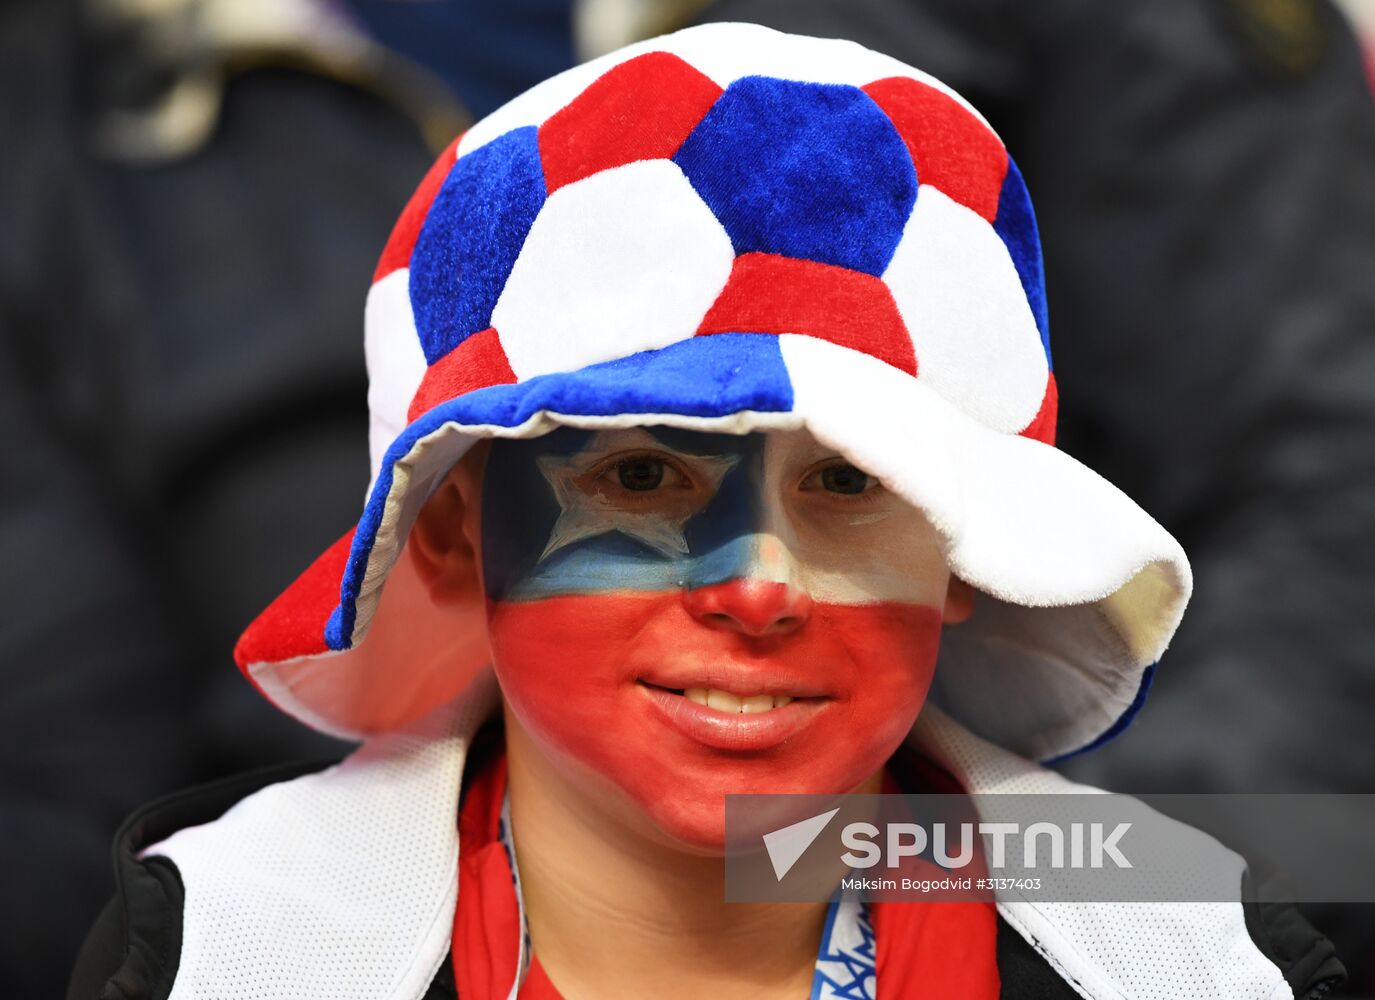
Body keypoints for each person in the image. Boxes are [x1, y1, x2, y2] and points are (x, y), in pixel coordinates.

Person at [66, 23, 1343, 999]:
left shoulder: (1188, 949)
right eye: (639, 475)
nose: (759, 586)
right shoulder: (229, 944)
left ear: (968, 543)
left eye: (850, 481)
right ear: (453, 522)